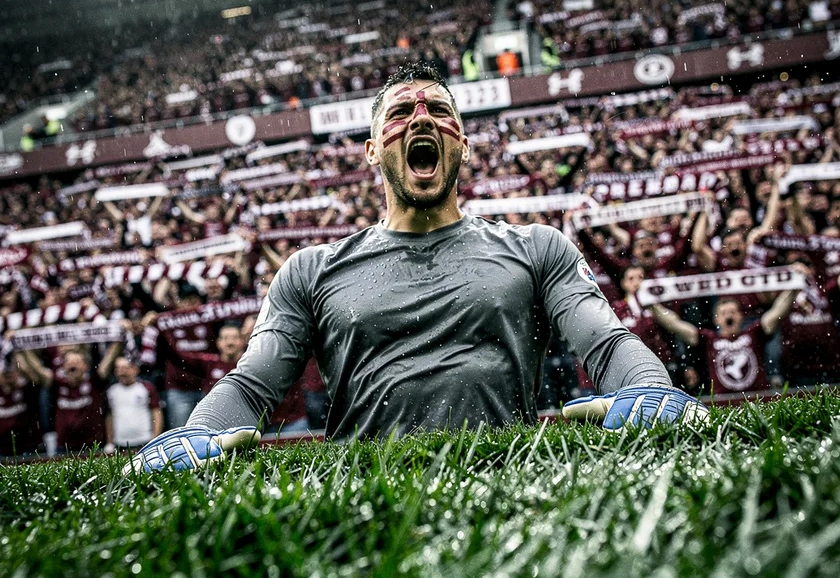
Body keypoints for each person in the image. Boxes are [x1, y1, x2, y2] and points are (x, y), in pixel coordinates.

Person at [127, 63, 708, 473]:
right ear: (372, 150)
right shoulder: (308, 271)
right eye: (401, 112)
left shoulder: (538, 247)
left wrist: (649, 389)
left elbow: (606, 342)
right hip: (364, 504)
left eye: (439, 111)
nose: (421, 119)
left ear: (465, 145)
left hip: (509, 487)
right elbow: (252, 384)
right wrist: (198, 434)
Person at [647, 264, 809, 395]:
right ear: (716, 319)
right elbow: (676, 325)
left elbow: (777, 312)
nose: (729, 316)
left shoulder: (754, 332)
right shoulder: (708, 339)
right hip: (723, 405)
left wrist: (794, 286)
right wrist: (652, 305)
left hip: (758, 400)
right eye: (724, 313)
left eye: (732, 312)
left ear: (741, 316)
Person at [16, 343, 122, 453]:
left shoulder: (95, 382)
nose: (72, 364)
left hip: (93, 445)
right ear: (63, 366)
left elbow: (109, 360)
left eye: (76, 362)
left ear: (86, 366)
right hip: (64, 447)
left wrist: (118, 340)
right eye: (68, 362)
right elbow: (37, 369)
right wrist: (23, 347)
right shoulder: (57, 384)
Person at [104, 357, 163, 452]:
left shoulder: (146, 388)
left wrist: (155, 438)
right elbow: (109, 416)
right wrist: (110, 442)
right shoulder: (111, 391)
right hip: (120, 443)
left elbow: (156, 413)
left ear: (135, 369)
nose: (121, 372)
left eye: (125, 368)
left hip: (144, 441)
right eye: (118, 368)